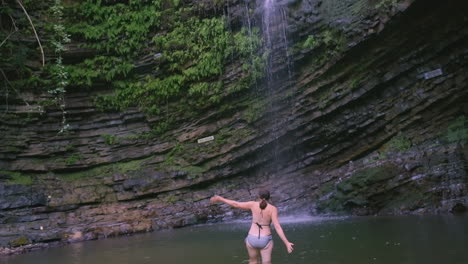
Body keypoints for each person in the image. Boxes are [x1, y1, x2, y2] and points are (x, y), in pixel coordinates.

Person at [210, 190, 294, 264]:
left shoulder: (252, 204)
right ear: (269, 198)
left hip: (251, 238)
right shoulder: (273, 209)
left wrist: (220, 199)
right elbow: (277, 227)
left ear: (259, 197)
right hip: (265, 239)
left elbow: (235, 204)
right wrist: (286, 243)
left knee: (253, 261)